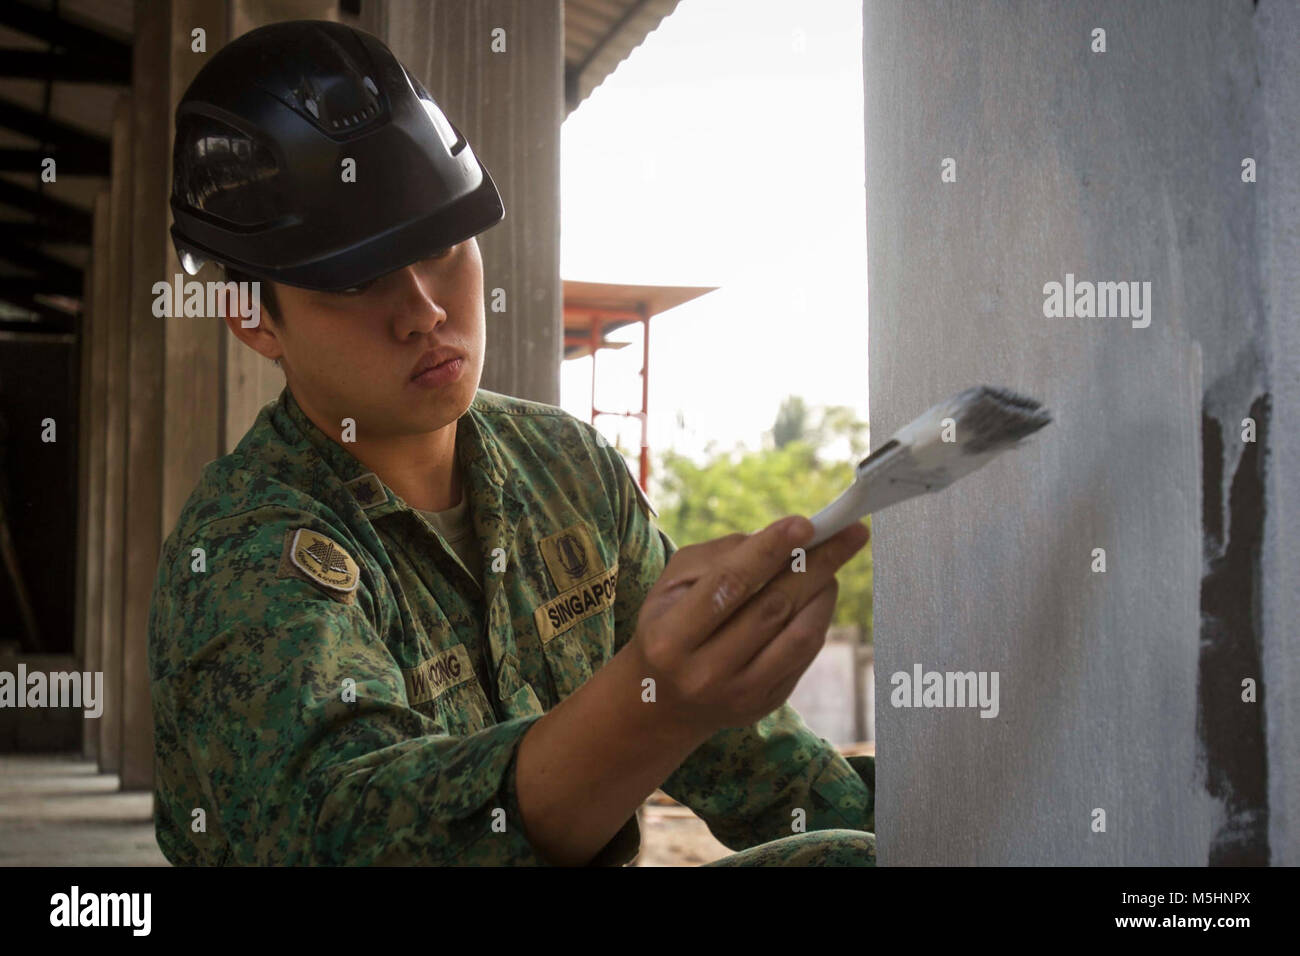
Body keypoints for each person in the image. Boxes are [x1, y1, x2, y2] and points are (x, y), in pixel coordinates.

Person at [149, 19, 875, 866]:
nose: (424, 308)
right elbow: (355, 832)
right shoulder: (246, 552)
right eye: (356, 278)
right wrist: (657, 702)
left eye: (443, 246)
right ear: (250, 318)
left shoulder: (566, 470)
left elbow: (762, 769)